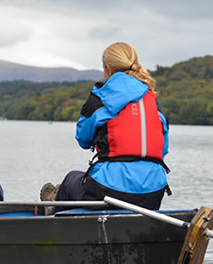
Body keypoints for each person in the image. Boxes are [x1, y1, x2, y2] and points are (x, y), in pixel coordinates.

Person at [47, 42, 169, 213]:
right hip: (152, 192)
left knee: (70, 180)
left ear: (108, 69)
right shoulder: (153, 101)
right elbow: (162, 149)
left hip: (108, 191)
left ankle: (53, 225)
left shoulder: (100, 98)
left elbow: (83, 139)